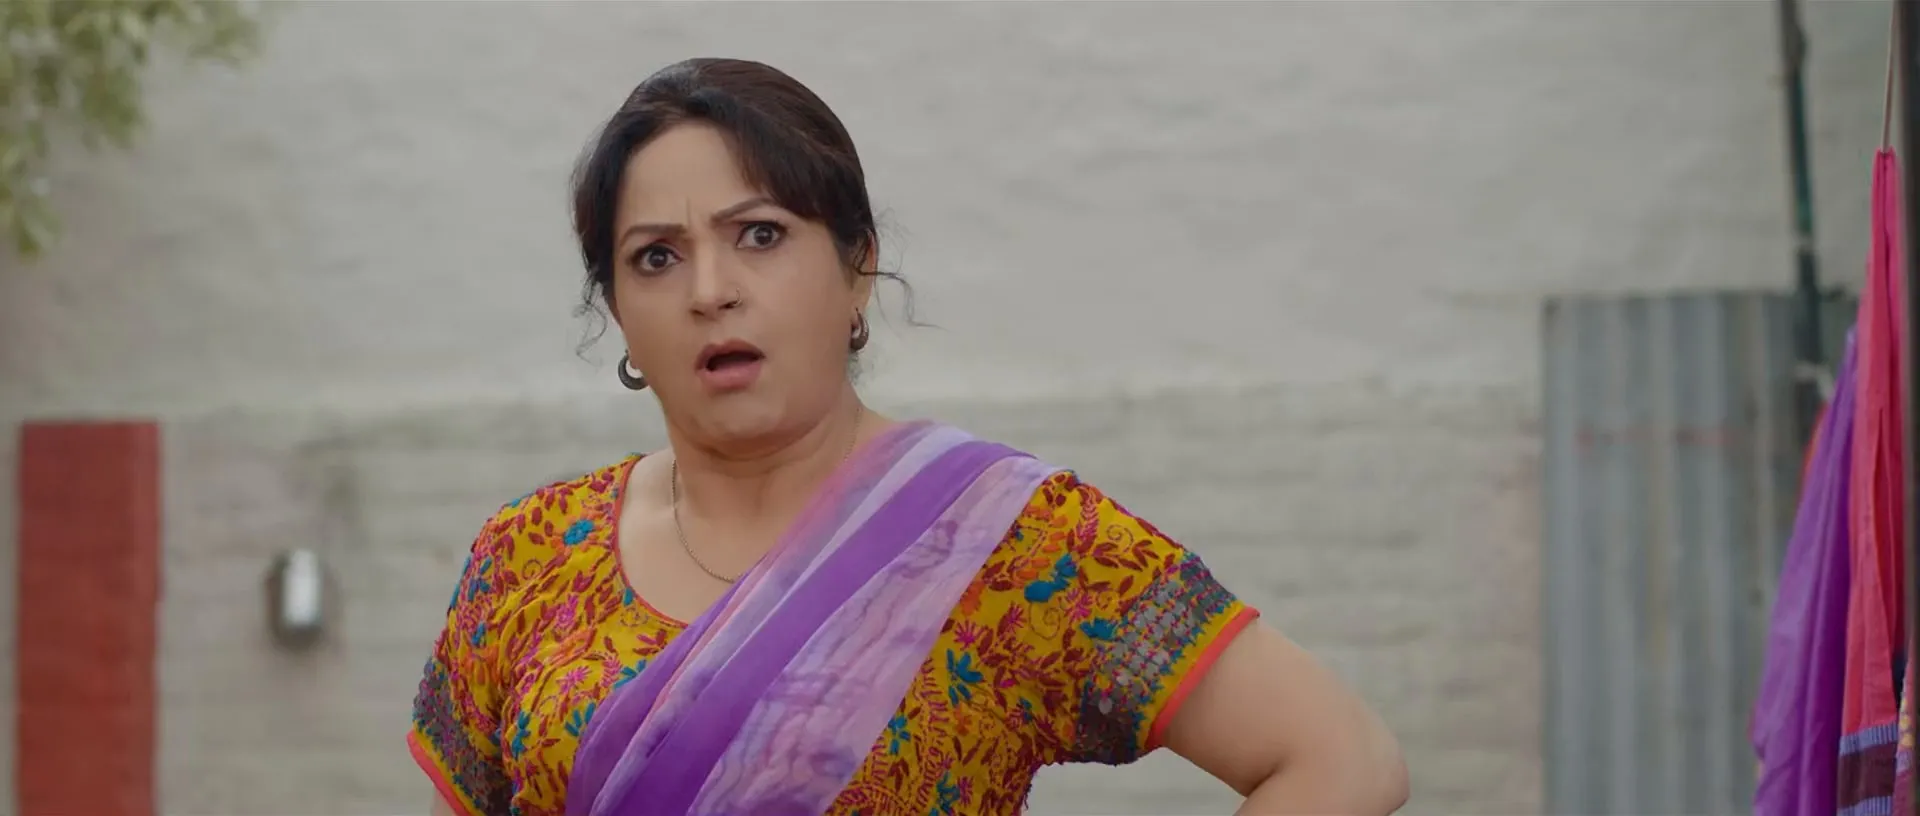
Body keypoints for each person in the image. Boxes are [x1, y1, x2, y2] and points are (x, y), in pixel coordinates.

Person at [408, 57, 1408, 816]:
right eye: (656, 257)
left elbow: (1344, 760)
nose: (711, 290)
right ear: (618, 312)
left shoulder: (1010, 539)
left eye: (761, 235)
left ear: (857, 268)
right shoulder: (531, 554)